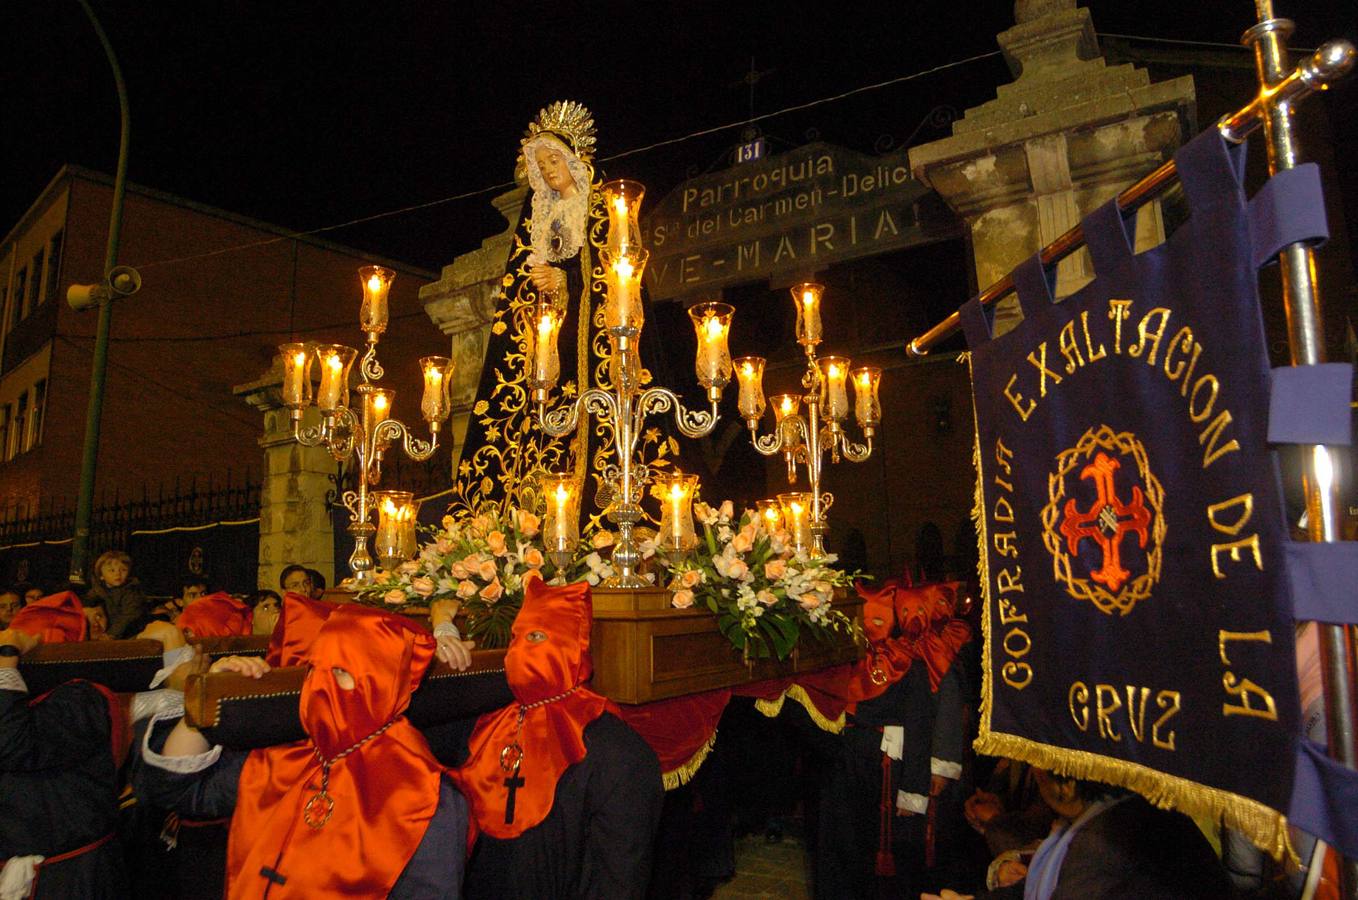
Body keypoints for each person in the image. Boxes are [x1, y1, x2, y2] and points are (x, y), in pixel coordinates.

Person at [139, 604, 475, 899]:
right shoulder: (286, 754)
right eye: (315, 668)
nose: (319, 685)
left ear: (380, 683)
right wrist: (207, 704)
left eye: (341, 671)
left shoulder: (425, 795)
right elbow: (180, 790)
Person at [452, 578, 664, 898]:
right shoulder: (484, 731)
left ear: (570, 646)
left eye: (536, 636)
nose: (518, 650)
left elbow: (620, 877)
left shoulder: (618, 754)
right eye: (515, 637)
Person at [922, 770, 1235, 900]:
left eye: (1039, 766)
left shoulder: (1102, 842)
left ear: (1067, 785)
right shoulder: (1125, 807)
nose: (1034, 773)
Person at [0, 592, 131, 898]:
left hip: (72, 876)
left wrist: (7, 659)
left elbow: (14, 744)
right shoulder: (15, 697)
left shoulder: (84, 697)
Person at [86, 549, 149, 639]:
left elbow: (129, 616)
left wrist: (112, 634)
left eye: (123, 570)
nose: (118, 574)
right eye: (112, 570)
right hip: (106, 632)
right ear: (101, 575)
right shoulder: (97, 591)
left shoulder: (131, 591)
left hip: (130, 633)